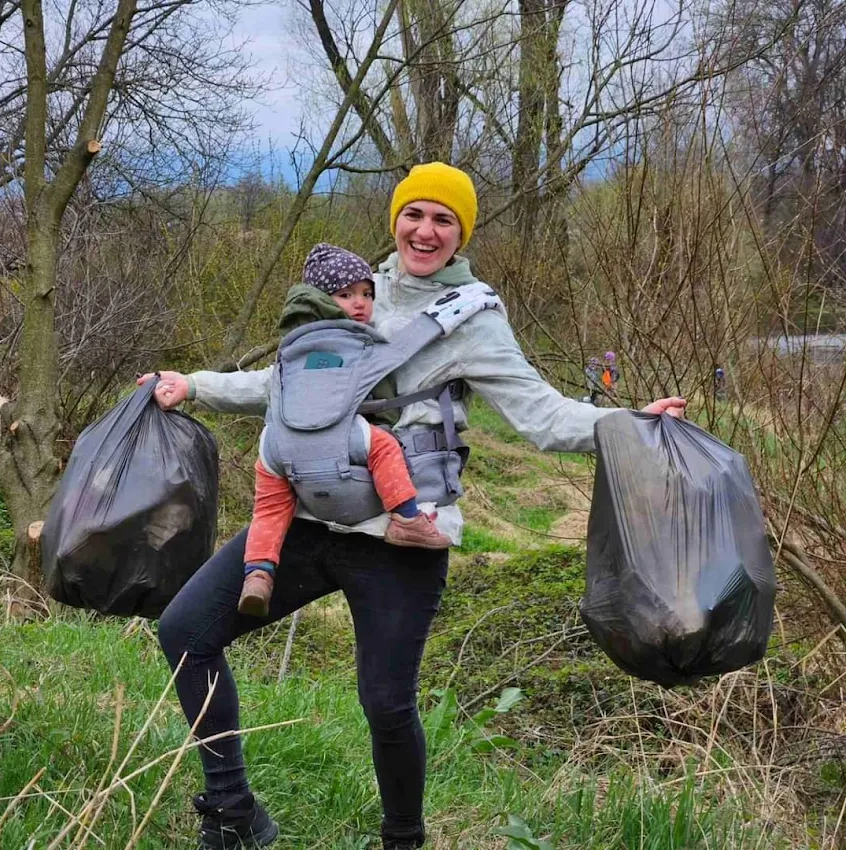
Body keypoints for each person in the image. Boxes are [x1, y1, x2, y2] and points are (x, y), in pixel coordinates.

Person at [139, 161, 685, 850]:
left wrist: (631, 423)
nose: (425, 231)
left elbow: (542, 417)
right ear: (395, 218)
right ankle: (232, 811)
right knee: (186, 631)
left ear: (461, 234)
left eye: (443, 219)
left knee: (387, 702)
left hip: (404, 533)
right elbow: (282, 383)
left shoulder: (474, 319)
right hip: (308, 517)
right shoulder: (352, 290)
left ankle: (404, 839)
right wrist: (192, 385)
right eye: (415, 214)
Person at [239, 243, 451, 618]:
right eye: (346, 294)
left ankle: (258, 572)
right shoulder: (352, 342)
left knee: (269, 509)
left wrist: (192, 386)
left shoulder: (294, 343)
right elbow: (380, 389)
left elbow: (271, 387)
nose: (360, 303)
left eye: (367, 293)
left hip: (277, 443)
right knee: (384, 446)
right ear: (323, 299)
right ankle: (407, 519)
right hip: (340, 439)